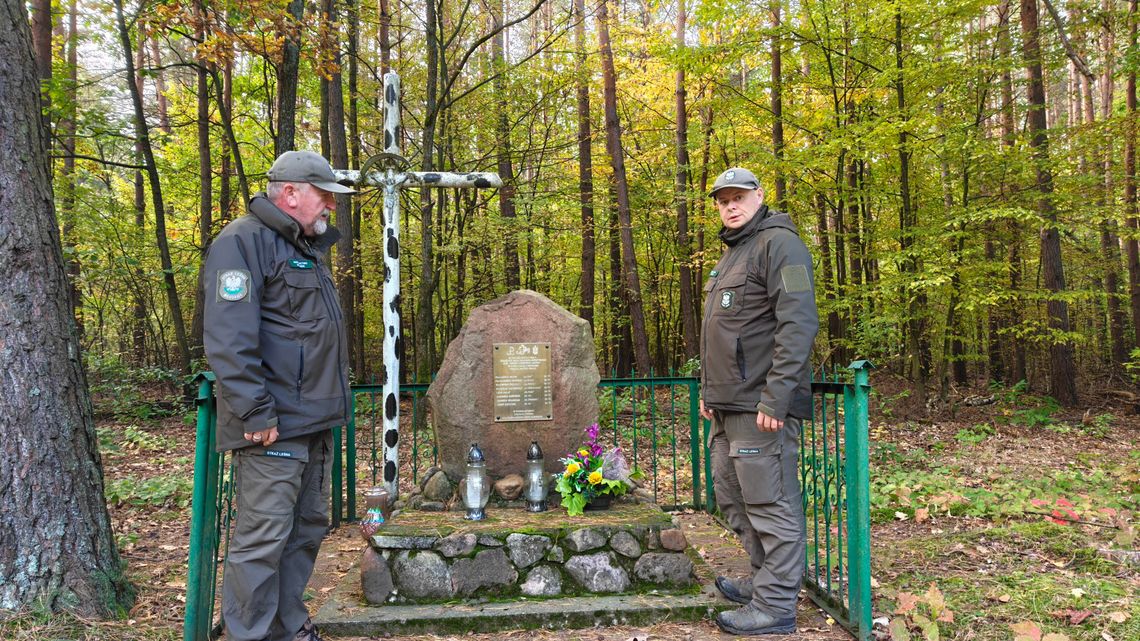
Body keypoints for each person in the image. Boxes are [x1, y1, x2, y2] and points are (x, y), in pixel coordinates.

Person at [204, 150, 356, 641]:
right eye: (323, 195)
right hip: (271, 425)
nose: (330, 205)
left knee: (306, 529)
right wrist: (253, 408)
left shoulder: (305, 246)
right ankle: (248, 633)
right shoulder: (242, 242)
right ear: (290, 193)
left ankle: (286, 626)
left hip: (312, 420)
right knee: (263, 539)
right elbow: (229, 337)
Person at [698, 167, 819, 635]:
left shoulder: (780, 244)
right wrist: (711, 393)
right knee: (733, 496)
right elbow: (725, 335)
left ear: (759, 196)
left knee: (771, 503)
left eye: (739, 197)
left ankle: (775, 607)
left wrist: (776, 397)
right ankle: (763, 580)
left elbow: (798, 323)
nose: (730, 205)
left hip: (760, 407)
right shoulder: (735, 252)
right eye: (723, 199)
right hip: (728, 406)